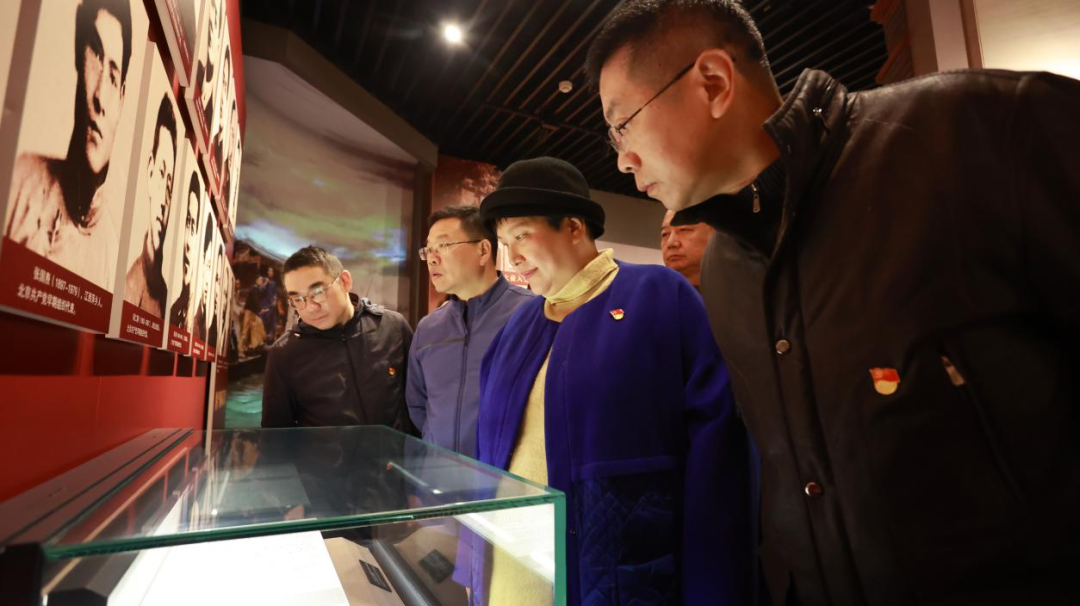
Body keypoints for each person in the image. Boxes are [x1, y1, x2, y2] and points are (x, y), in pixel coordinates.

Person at [588, 1, 1080, 603]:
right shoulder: (725, 268)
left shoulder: (982, 131)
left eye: (622, 124)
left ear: (713, 83)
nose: (621, 157)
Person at [474, 157, 754, 605]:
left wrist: (715, 588)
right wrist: (472, 564)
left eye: (522, 235)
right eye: (505, 243)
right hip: (509, 580)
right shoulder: (516, 329)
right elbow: (487, 462)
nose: (514, 256)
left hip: (621, 582)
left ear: (573, 226)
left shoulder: (659, 296)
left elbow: (718, 452)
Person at [4, 0, 133, 289]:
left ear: (122, 98)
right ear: (78, 55)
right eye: (95, 57)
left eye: (113, 78)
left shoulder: (112, 253)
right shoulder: (21, 180)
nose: (100, 96)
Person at [406, 205, 534, 456]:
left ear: (483, 250)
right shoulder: (428, 328)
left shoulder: (530, 314)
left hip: (505, 476)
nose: (432, 258)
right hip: (439, 474)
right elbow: (418, 406)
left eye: (443, 245)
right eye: (428, 249)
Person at [262, 246, 415, 431]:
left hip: (398, 450)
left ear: (344, 281)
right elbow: (276, 434)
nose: (310, 307)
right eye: (298, 299)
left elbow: (421, 401)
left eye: (318, 293)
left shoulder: (393, 327)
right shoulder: (285, 353)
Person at [124, 94, 178, 317]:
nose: (164, 199)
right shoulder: (130, 287)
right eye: (161, 174)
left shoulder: (164, 292)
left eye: (170, 184)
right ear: (150, 171)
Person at [169, 171, 201, 332]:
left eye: (194, 227)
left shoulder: (198, 323)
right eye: (188, 223)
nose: (188, 241)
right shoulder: (173, 310)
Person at [660, 209, 713, 289]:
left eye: (684, 230)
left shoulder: (730, 292)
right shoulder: (652, 293)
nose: (670, 243)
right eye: (665, 234)